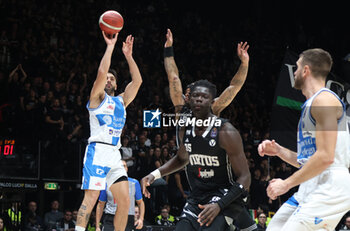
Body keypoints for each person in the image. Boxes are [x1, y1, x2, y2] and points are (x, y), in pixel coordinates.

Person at [141, 80, 255, 231]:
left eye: (204, 96)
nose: (199, 99)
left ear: (212, 102)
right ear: (189, 100)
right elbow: (182, 158)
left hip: (225, 195)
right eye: (195, 95)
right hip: (198, 196)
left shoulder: (225, 131)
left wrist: (220, 205)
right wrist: (154, 175)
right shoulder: (185, 128)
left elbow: (245, 178)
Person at [258, 48, 350, 230]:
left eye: (297, 67)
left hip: (330, 186)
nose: (295, 72)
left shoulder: (325, 101)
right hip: (311, 185)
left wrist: (286, 184)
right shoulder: (310, 104)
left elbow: (325, 158)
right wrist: (279, 151)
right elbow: (308, 162)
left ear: (306, 70)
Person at [75, 31, 143, 231]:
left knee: (124, 201)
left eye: (112, 78)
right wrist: (111, 47)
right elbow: (101, 72)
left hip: (114, 153)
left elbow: (138, 81)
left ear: (116, 84)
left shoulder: (121, 100)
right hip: (97, 151)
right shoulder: (96, 98)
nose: (108, 80)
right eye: (107, 78)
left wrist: (129, 56)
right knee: (91, 197)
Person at [163, 28, 249, 118]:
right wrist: (168, 49)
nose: (187, 96)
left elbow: (234, 87)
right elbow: (173, 77)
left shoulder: (212, 109)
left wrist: (245, 63)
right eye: (187, 94)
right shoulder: (181, 107)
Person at [95, 160, 145, 231]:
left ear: (127, 169)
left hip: (128, 218)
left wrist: (141, 219)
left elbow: (140, 203)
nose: (122, 168)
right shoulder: (106, 183)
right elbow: (100, 205)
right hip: (110, 217)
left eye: (124, 166)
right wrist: (97, 226)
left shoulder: (134, 183)